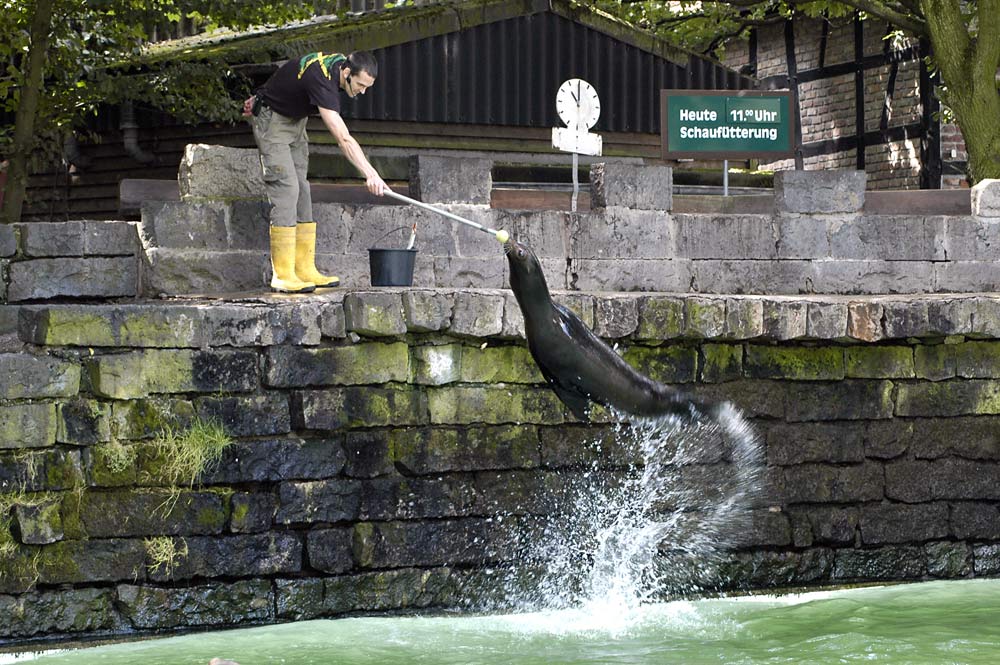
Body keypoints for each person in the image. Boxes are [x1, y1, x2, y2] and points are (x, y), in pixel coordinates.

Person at [244, 51, 388, 293]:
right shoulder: (321, 78)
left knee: (303, 190)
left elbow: (289, 76)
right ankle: (283, 274)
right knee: (286, 188)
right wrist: (370, 173)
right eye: (361, 85)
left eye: (368, 87)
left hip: (296, 123)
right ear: (346, 73)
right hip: (272, 121)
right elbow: (343, 138)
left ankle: (304, 268)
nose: (363, 92)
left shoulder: (341, 65)